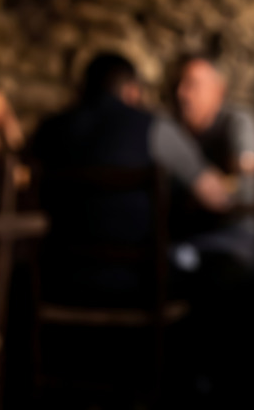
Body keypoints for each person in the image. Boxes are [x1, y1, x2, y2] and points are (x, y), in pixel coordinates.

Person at [30, 51, 218, 303]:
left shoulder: (48, 130)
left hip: (57, 279)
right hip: (137, 284)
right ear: (132, 90)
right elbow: (216, 197)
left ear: (83, 89)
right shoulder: (154, 127)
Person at [170, 55, 254, 281]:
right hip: (184, 236)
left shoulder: (237, 122)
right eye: (179, 84)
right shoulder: (173, 129)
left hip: (233, 236)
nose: (182, 93)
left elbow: (244, 181)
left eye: (192, 84)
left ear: (218, 91)